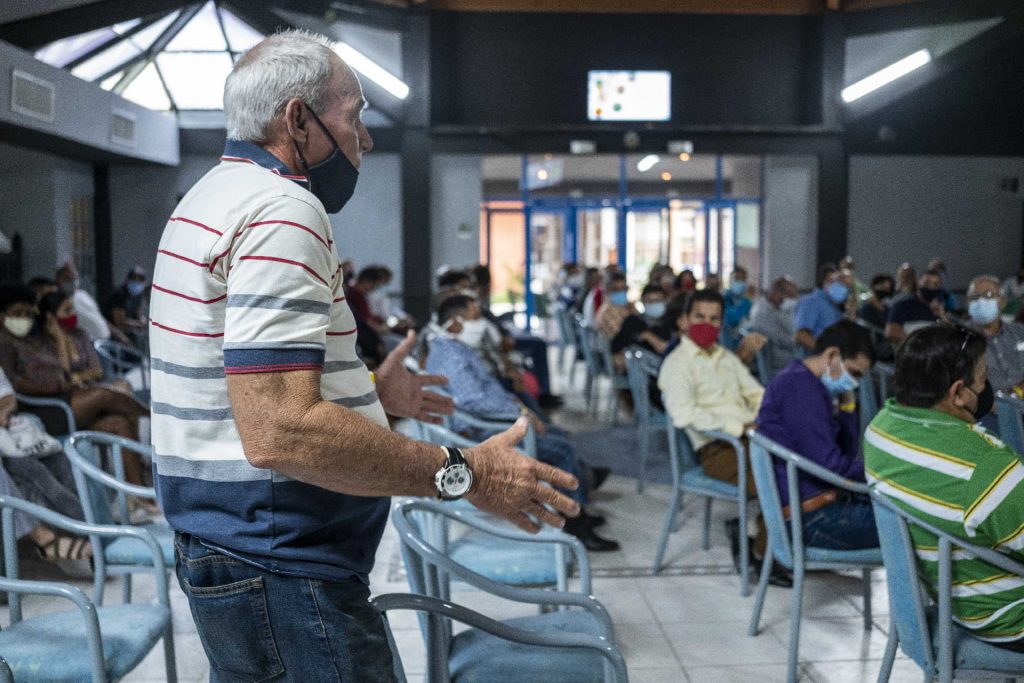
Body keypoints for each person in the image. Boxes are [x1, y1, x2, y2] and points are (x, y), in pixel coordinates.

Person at [150, 31, 580, 682]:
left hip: (238, 550)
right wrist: (470, 473)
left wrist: (366, 399)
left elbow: (239, 400)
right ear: (299, 119)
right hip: (283, 565)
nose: (366, 140)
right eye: (354, 118)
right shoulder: (281, 210)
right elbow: (278, 431)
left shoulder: (209, 198)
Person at [865, 324, 1024, 650]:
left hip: (949, 598)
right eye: (981, 378)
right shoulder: (986, 465)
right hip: (1004, 616)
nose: (986, 386)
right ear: (957, 393)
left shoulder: (880, 431)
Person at [425, 295, 619, 552]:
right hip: (484, 432)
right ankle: (575, 525)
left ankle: (578, 499)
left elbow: (482, 393)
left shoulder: (451, 348)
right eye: (474, 317)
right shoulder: (451, 356)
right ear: (455, 324)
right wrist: (521, 416)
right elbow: (476, 401)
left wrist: (519, 407)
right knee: (561, 449)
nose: (480, 323)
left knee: (558, 437)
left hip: (492, 420)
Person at [658, 289, 786, 583]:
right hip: (719, 448)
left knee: (800, 467)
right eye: (699, 317)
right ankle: (763, 553)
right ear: (683, 320)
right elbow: (684, 414)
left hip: (751, 438)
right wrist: (738, 427)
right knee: (778, 482)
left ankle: (776, 539)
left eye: (714, 319)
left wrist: (767, 415)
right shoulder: (677, 364)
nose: (707, 324)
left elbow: (755, 393)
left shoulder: (726, 357)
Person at [0, 286, 150, 486]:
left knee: (118, 423)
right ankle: (153, 418)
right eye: (17, 314)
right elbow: (13, 383)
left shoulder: (35, 340)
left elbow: (64, 371)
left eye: (28, 313)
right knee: (103, 395)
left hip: (66, 398)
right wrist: (53, 387)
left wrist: (59, 340)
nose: (24, 319)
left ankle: (138, 500)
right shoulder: (4, 343)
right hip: (47, 408)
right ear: (2, 316)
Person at [756, 320, 878, 550]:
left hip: (818, 503)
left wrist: (848, 407)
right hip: (809, 518)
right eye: (854, 373)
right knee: (910, 525)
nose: (854, 383)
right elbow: (833, 465)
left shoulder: (807, 382)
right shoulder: (800, 388)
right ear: (832, 355)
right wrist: (882, 472)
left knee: (901, 507)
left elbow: (845, 452)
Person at [0, 366, 84, 524]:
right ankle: (83, 527)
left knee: (58, 458)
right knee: (33, 470)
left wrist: (3, 414)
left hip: (7, 433)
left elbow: (8, 396)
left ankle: (84, 524)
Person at [966, 275, 1024, 395]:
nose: (981, 301)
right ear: (968, 303)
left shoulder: (1019, 332)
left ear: (1003, 302)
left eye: (988, 295)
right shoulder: (960, 338)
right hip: (987, 406)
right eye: (975, 297)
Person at [749, 276, 799, 379]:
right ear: (777, 292)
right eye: (790, 297)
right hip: (778, 363)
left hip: (784, 356)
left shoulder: (775, 310)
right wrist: (801, 339)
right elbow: (783, 339)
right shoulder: (762, 313)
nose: (792, 302)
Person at [885, 269, 947, 347]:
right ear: (918, 283)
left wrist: (942, 316)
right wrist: (918, 346)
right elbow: (891, 332)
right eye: (926, 283)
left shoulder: (938, 309)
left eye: (935, 285)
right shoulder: (903, 305)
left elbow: (948, 335)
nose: (931, 287)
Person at [794, 263, 845, 351]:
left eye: (840, 282)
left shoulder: (835, 306)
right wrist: (824, 355)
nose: (838, 285)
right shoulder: (812, 301)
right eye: (833, 281)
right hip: (814, 360)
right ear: (824, 282)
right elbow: (802, 336)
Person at [56, 262, 112, 342]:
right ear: (58, 280)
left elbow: (99, 317)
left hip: (106, 339)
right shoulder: (57, 301)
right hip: (87, 344)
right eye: (67, 278)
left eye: (74, 278)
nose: (72, 281)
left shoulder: (83, 295)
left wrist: (119, 334)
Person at [105, 266, 148, 345]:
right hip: (113, 335)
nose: (136, 282)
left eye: (140, 280)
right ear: (127, 280)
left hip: (129, 335)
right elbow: (120, 321)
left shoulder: (138, 296)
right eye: (134, 279)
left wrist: (142, 320)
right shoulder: (120, 294)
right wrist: (138, 324)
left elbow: (137, 314)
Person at [595, 272, 634, 342]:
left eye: (623, 288)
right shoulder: (607, 312)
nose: (620, 292)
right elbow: (627, 336)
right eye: (616, 289)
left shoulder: (627, 306)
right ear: (607, 291)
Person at [721, 267, 754, 351]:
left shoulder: (747, 299)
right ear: (730, 281)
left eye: (743, 279)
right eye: (737, 279)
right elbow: (731, 319)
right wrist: (746, 301)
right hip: (729, 344)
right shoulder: (724, 298)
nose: (740, 282)